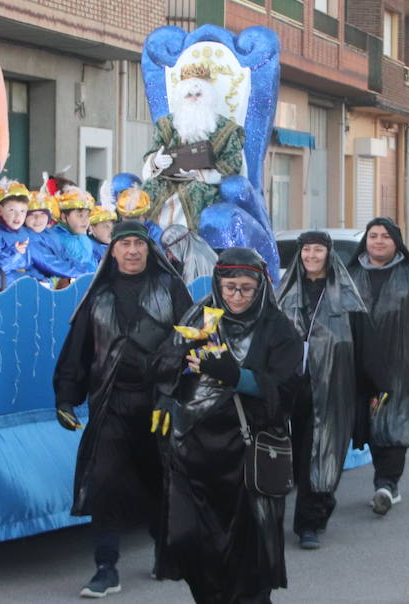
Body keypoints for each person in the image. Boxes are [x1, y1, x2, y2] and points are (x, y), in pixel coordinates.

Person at [151, 247, 303, 603]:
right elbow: (165, 361)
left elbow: (286, 390)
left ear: (260, 288)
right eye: (229, 287)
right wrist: (168, 392)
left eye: (246, 288)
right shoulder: (200, 315)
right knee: (192, 545)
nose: (237, 296)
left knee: (248, 558)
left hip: (245, 454)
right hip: (194, 451)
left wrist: (236, 376)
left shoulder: (278, 328)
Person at [53, 221, 194, 599]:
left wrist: (176, 395)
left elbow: (191, 346)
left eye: (138, 243)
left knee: (161, 480)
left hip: (160, 404)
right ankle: (106, 567)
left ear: (149, 249)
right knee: (105, 482)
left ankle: (165, 549)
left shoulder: (171, 289)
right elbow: (78, 350)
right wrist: (66, 397)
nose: (132, 250)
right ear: (112, 250)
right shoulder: (97, 296)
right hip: (111, 404)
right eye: (124, 243)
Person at [274, 231, 382, 551]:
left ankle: (309, 522)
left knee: (321, 453)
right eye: (306, 250)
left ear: (328, 254)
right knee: (295, 455)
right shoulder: (284, 293)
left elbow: (365, 346)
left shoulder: (346, 296)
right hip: (292, 389)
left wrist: (372, 388)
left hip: (333, 386)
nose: (311, 255)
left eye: (318, 250)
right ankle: (308, 506)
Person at [346, 218, 409, 516]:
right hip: (357, 363)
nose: (378, 241)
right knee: (366, 421)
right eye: (373, 236)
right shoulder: (350, 274)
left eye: (385, 236)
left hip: (400, 364)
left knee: (396, 422)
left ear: (396, 242)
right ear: (366, 241)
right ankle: (380, 480)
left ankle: (387, 485)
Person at [141, 64, 245, 230]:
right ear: (181, 98)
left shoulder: (226, 128)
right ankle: (149, 238)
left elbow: (233, 162)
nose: (194, 99)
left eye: (198, 94)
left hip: (203, 183)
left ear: (208, 96)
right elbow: (152, 153)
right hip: (168, 180)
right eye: (189, 95)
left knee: (193, 192)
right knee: (148, 190)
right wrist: (156, 161)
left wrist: (202, 174)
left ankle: (187, 240)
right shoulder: (166, 124)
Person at [39, 187, 99, 280]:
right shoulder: (56, 238)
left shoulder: (81, 236)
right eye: (79, 215)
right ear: (64, 217)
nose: (85, 220)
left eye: (87, 215)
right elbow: (83, 265)